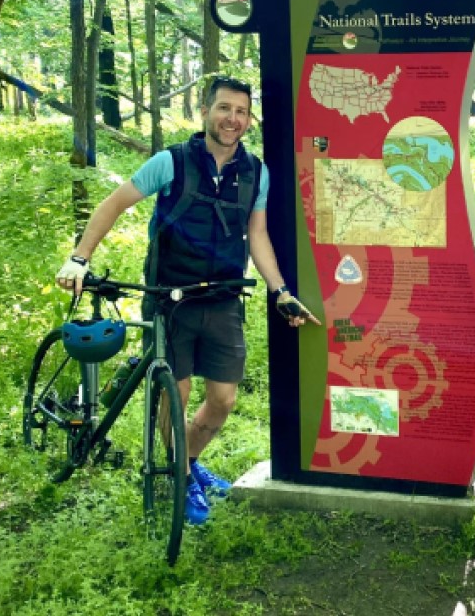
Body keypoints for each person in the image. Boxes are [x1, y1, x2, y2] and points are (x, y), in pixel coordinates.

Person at [54, 76, 319, 525]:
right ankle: (178, 477)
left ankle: (187, 462)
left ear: (248, 119)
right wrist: (80, 258)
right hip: (169, 298)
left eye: (240, 111)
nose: (232, 119)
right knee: (174, 396)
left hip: (222, 297)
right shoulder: (171, 162)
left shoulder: (256, 171)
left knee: (224, 398)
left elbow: (257, 235)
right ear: (204, 111)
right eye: (223, 108)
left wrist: (281, 292)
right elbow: (114, 204)